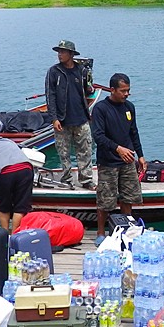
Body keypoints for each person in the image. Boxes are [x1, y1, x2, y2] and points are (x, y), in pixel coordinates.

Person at [91, 73, 146, 246]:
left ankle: (127, 228)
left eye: (128, 90)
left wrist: (141, 155)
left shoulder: (129, 107)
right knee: (105, 200)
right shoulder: (100, 109)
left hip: (128, 161)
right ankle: (101, 232)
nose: (126, 94)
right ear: (112, 90)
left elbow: (134, 132)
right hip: (108, 162)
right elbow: (98, 136)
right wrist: (117, 148)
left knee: (128, 197)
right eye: (123, 91)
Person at [45, 39, 96, 190]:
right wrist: (54, 118)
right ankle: (67, 179)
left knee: (85, 150)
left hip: (81, 118)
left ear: (71, 54)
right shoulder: (54, 72)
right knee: (63, 153)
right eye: (58, 52)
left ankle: (86, 179)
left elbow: (88, 90)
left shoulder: (81, 70)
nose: (59, 55)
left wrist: (89, 83)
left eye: (63, 52)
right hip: (62, 119)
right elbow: (50, 96)